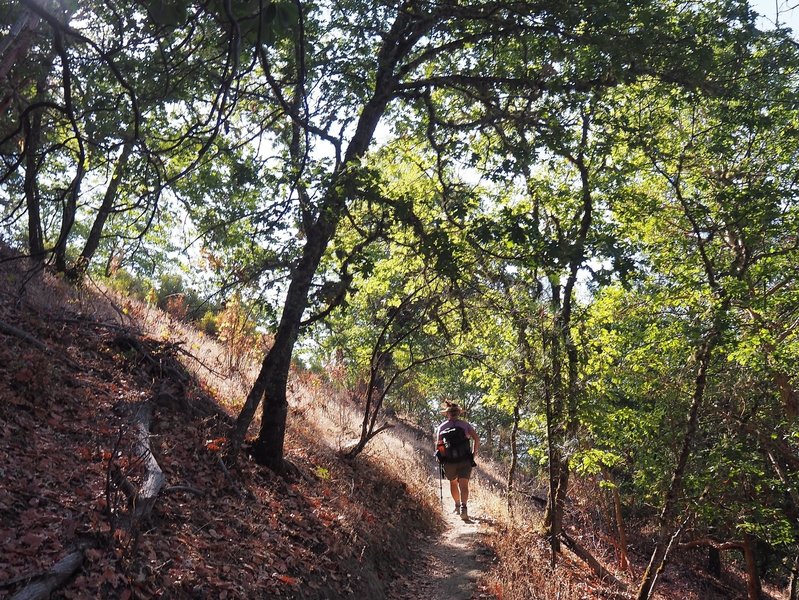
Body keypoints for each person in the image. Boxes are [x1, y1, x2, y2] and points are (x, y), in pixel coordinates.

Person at [435, 401, 480, 520]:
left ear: (447, 414)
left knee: (453, 482)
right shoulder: (465, 425)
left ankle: (457, 506)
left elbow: (439, 445)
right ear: (459, 413)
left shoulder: (442, 427)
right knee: (464, 484)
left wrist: (441, 458)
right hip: (465, 459)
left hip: (449, 461)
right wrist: (473, 454)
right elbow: (476, 439)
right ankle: (464, 508)